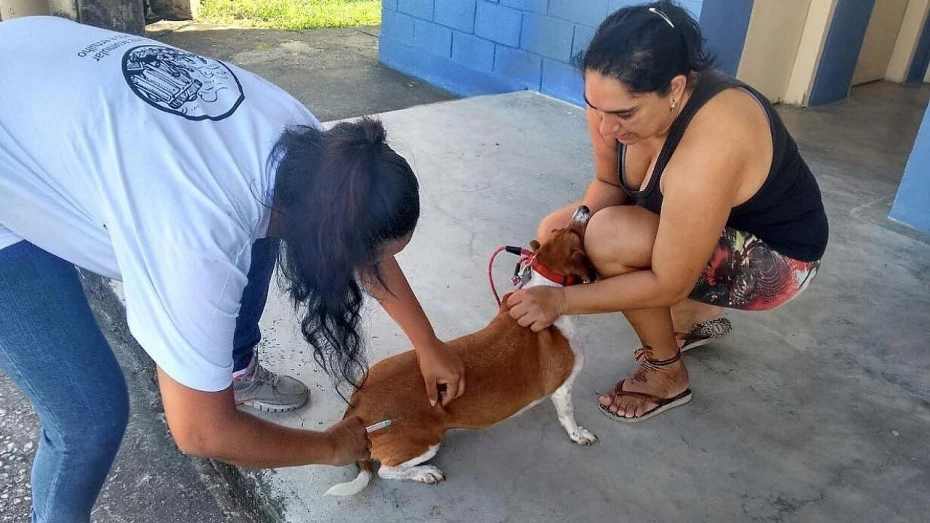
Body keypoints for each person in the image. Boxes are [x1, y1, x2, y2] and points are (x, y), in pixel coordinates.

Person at [0, 16, 464, 522]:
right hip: (17, 134)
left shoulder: (316, 157)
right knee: (88, 418)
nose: (372, 267)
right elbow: (201, 432)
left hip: (35, 67)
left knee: (263, 231)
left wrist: (429, 345)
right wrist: (329, 446)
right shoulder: (195, 242)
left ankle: (232, 369)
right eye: (365, 258)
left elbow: (353, 240)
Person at [507, 1, 828, 423]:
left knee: (610, 239)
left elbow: (668, 281)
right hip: (709, 228)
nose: (605, 128)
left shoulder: (712, 144)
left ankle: (666, 372)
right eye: (595, 107)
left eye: (623, 114)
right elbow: (609, 184)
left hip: (778, 260)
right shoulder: (612, 97)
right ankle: (692, 319)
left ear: (675, 88)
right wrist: (567, 235)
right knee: (558, 228)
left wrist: (560, 299)